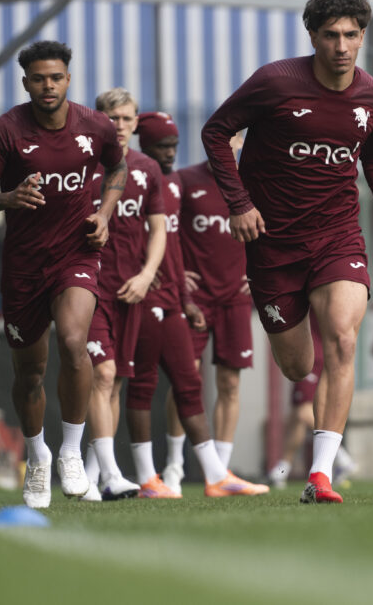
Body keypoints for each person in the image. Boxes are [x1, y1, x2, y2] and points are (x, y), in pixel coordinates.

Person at [202, 0, 373, 504]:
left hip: (337, 235)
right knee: (299, 366)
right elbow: (215, 133)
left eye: (351, 35)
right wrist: (239, 203)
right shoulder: (276, 82)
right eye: (331, 35)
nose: (342, 46)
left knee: (343, 338)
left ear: (363, 36)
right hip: (273, 245)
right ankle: (315, 458)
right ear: (313, 36)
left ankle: (320, 475)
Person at [0, 40, 127, 509]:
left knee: (75, 343)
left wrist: (105, 214)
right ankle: (37, 456)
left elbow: (117, 168)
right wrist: (8, 198)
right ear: (26, 83)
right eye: (38, 79)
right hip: (23, 266)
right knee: (29, 373)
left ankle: (71, 452)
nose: (48, 86)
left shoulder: (95, 126)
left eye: (55, 77)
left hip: (76, 255)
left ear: (68, 79)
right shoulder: (6, 130)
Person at [125, 112, 267, 498]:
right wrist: (178, 271)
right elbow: (166, 230)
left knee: (230, 382)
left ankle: (219, 469)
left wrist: (260, 272)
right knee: (184, 376)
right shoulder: (185, 181)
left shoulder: (257, 182)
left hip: (236, 297)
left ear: (242, 142)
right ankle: (174, 465)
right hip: (194, 297)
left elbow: (269, 230)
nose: (230, 144)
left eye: (235, 138)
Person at [80, 88, 167, 502]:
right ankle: (111, 473)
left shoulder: (148, 168)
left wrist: (147, 275)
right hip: (88, 285)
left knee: (113, 384)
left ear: (135, 123)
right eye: (111, 118)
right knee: (102, 375)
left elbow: (159, 229)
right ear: (98, 119)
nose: (119, 125)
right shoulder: (84, 164)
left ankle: (93, 475)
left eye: (126, 118)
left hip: (130, 290)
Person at [267, 314, 358, 490]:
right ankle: (281, 470)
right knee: (297, 418)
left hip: (312, 355)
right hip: (308, 352)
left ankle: (341, 457)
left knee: (303, 412)